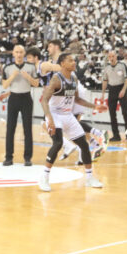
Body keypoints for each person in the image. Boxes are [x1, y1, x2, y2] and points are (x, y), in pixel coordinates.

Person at [38, 53, 102, 192]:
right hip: (55, 114)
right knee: (58, 143)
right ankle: (44, 177)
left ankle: (90, 178)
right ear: (62, 64)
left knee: (84, 145)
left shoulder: (74, 79)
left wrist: (95, 106)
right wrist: (49, 119)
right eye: (70, 60)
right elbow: (44, 100)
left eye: (74, 60)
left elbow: (77, 99)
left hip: (67, 115)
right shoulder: (56, 79)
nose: (74, 62)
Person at [0, 44, 39, 166]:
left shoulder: (31, 67)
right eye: (16, 52)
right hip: (14, 98)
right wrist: (12, 76)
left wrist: (28, 77)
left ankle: (27, 158)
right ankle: (8, 157)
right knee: (10, 129)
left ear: (24, 54)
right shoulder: (7, 67)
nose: (19, 54)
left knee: (27, 129)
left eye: (21, 52)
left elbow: (36, 84)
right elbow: (5, 85)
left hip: (26, 98)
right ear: (13, 53)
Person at [100, 49, 127, 142]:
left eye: (113, 56)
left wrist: (123, 90)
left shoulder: (122, 65)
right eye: (109, 57)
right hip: (112, 90)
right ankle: (116, 135)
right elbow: (105, 80)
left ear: (116, 56)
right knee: (112, 114)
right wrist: (103, 93)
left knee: (125, 113)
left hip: (121, 89)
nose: (111, 58)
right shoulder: (107, 67)